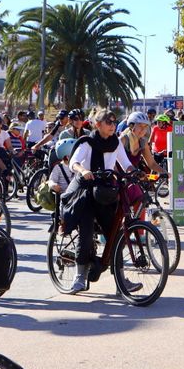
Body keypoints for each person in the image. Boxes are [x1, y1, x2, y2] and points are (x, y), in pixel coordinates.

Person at [66, 108, 133, 293]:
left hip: (105, 193)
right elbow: (73, 162)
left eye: (114, 122)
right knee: (86, 233)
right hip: (87, 193)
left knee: (115, 235)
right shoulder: (88, 142)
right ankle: (79, 278)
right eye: (108, 122)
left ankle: (121, 282)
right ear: (98, 125)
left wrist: (135, 172)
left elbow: (126, 164)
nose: (113, 125)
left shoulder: (116, 142)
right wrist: (83, 171)